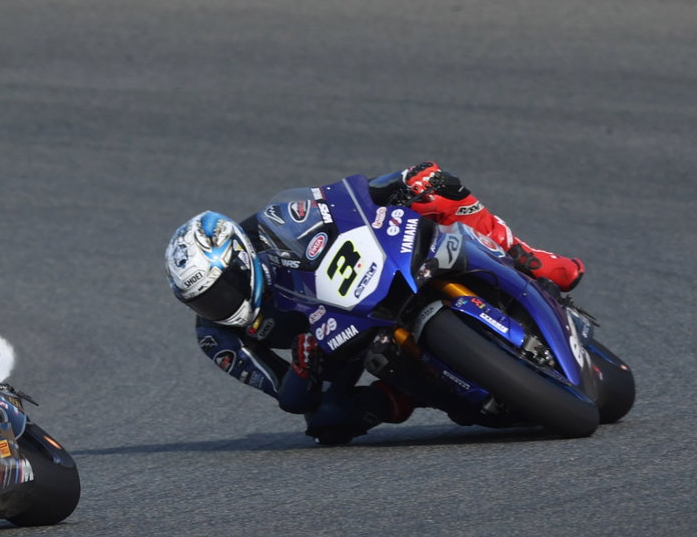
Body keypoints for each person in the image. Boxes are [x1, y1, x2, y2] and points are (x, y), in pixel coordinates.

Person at [165, 161, 585, 445]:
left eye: (221, 291)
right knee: (327, 422)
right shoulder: (216, 337)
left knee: (436, 193)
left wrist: (401, 182)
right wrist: (301, 366)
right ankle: (411, 395)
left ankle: (534, 261)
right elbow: (290, 398)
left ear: (240, 259)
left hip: (359, 282)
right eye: (203, 301)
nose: (219, 307)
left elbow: (346, 197)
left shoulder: (271, 225)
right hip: (329, 343)